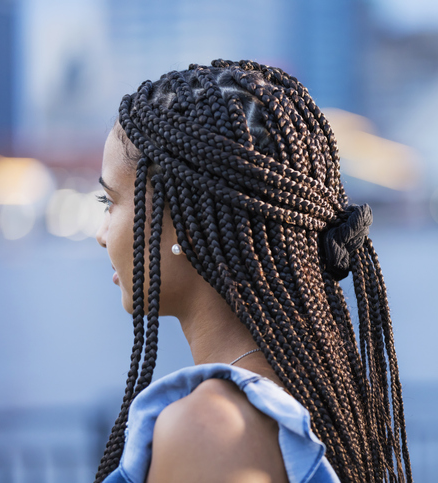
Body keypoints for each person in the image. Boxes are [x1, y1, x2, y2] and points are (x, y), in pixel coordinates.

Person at [93, 59, 412, 483]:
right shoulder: (319, 394)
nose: (100, 233)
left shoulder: (212, 430)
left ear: (186, 224)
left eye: (109, 203)